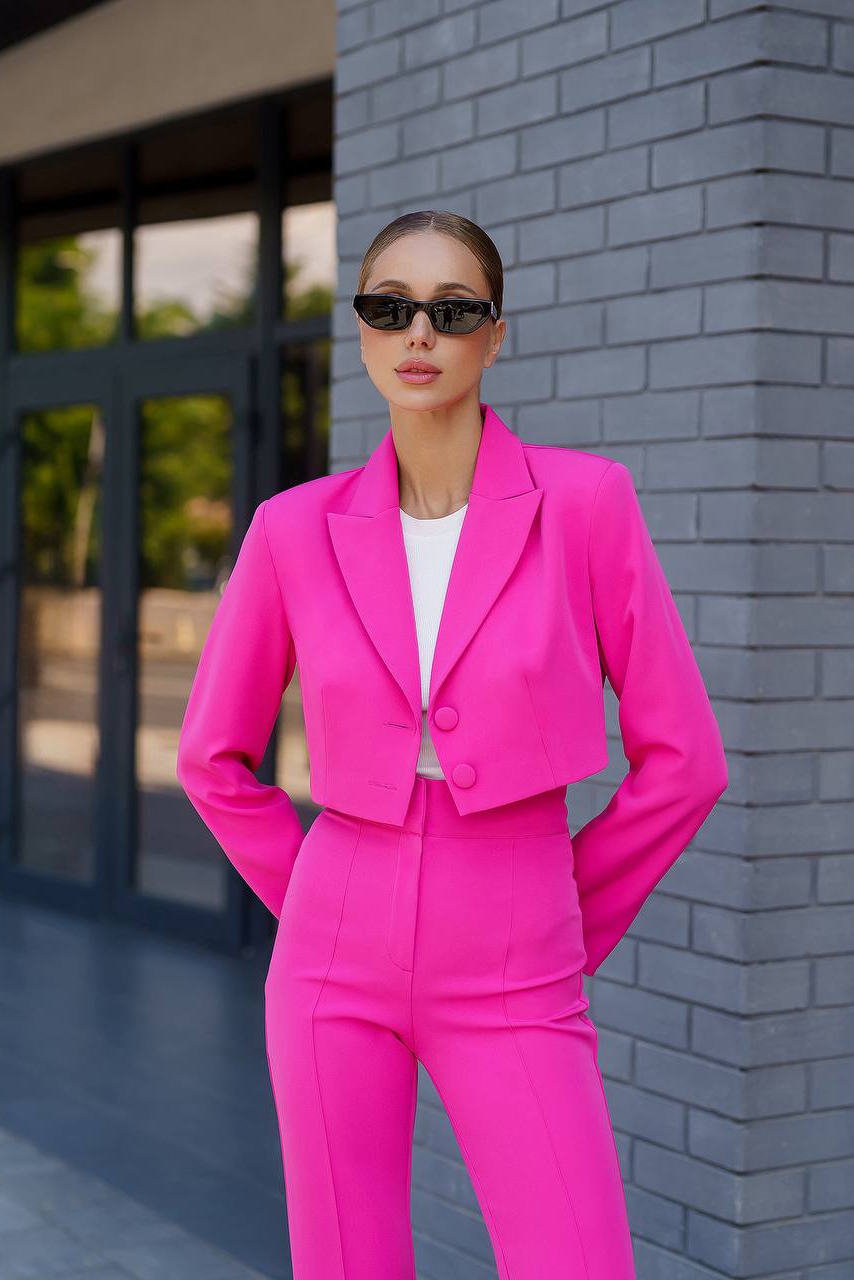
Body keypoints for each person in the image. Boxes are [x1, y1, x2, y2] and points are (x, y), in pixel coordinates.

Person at [176, 209, 728, 1279]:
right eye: (389, 307)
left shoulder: (584, 502)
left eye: (451, 308)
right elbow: (212, 757)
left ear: (494, 334)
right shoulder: (294, 527)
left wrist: (563, 906)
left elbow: (685, 761)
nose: (417, 332)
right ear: (364, 331)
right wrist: (325, 900)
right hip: (333, 944)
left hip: (517, 938)